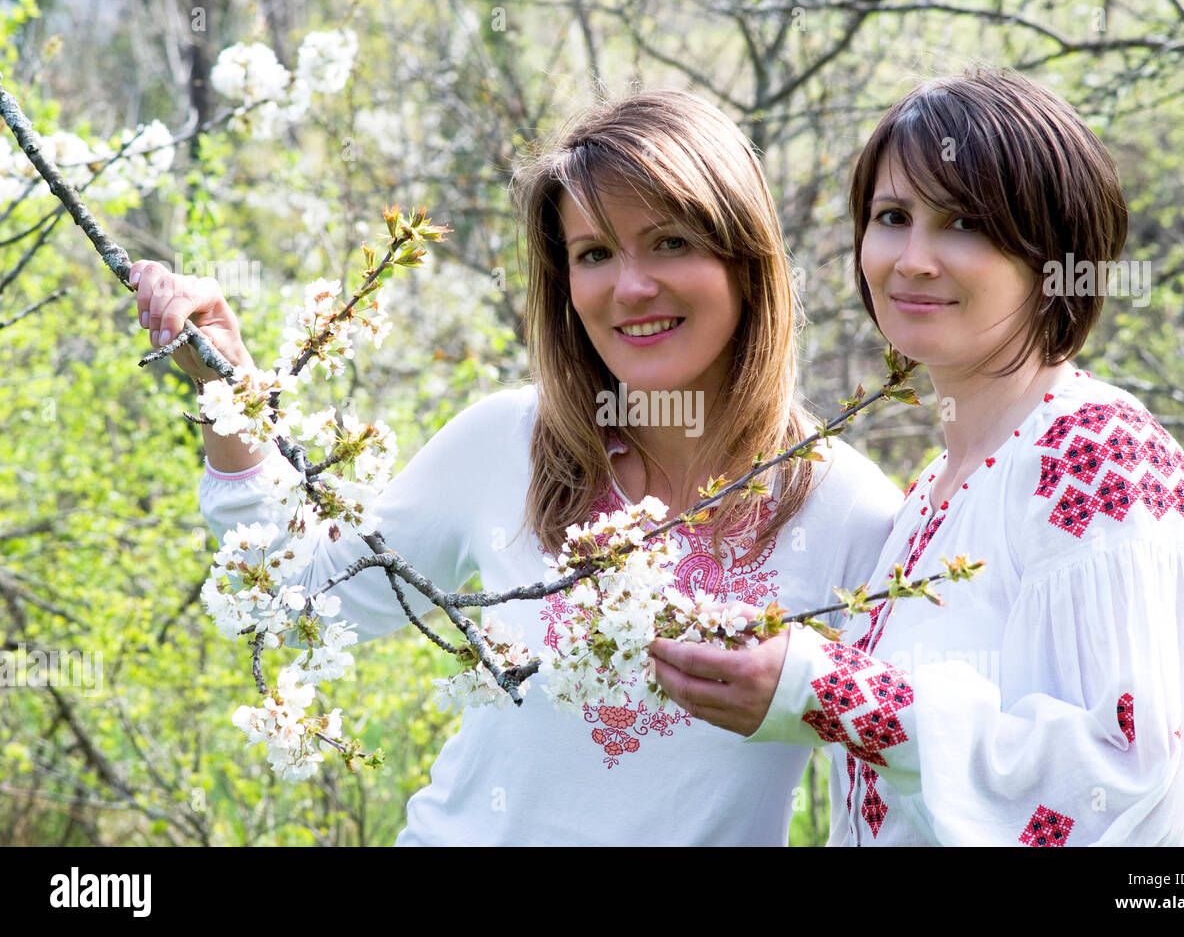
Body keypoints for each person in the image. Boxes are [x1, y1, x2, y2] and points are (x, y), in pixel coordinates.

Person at [131, 89, 901, 845]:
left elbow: (889, 790)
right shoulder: (507, 443)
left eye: (671, 241)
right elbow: (298, 600)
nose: (631, 287)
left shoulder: (849, 515)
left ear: (746, 258)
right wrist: (226, 386)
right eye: (594, 254)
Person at [650, 67, 1184, 846]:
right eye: (893, 216)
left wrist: (829, 691)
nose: (914, 259)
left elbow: (1127, 774)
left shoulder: (1101, 459)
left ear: (1052, 253)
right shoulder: (934, 488)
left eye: (963, 223)